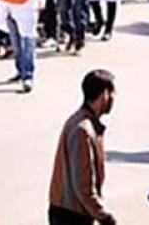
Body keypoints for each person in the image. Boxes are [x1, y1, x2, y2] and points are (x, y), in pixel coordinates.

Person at [48, 69, 116, 225]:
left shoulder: (82, 122)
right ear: (104, 95)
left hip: (71, 211)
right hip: (71, 216)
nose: (113, 99)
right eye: (112, 94)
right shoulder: (82, 131)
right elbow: (83, 186)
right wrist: (104, 216)